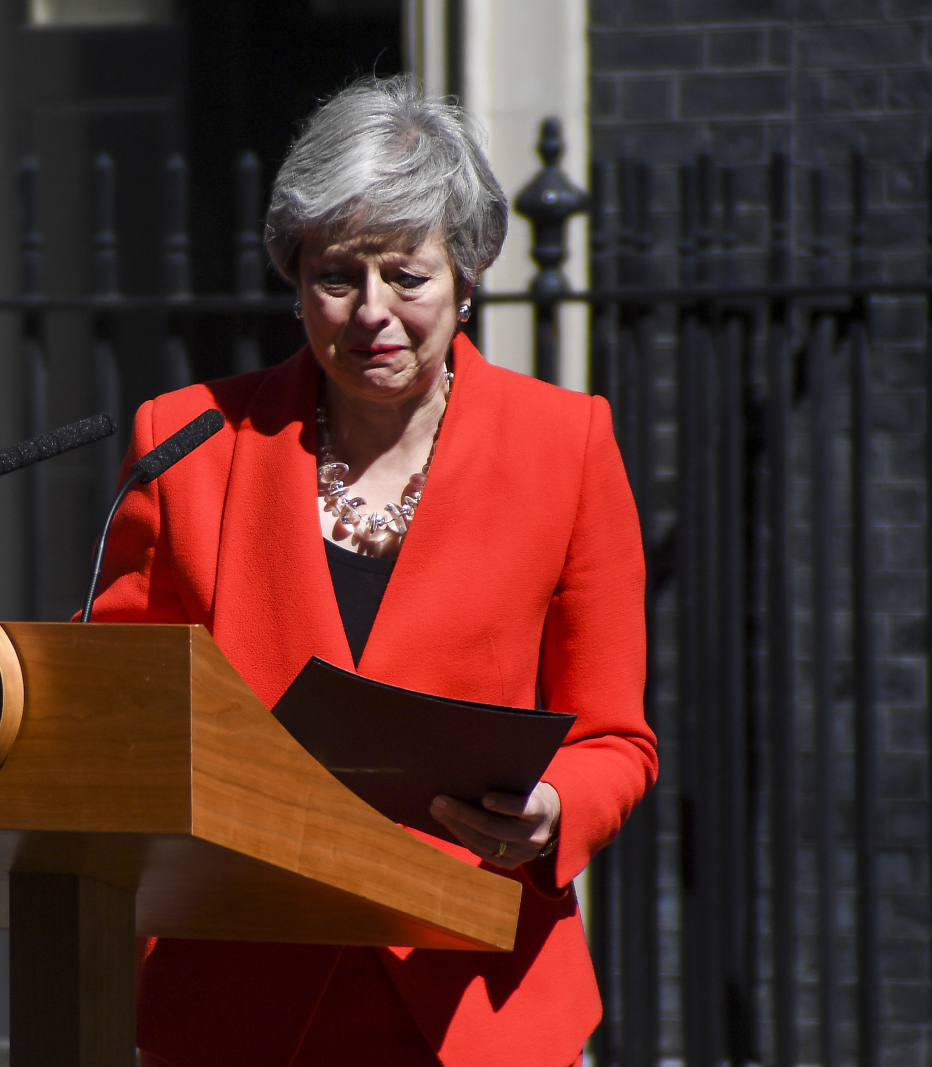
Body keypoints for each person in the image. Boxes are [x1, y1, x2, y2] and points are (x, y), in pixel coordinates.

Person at [86, 76, 657, 1067]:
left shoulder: (566, 445)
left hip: (474, 991)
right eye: (338, 276)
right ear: (293, 278)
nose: (373, 314)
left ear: (467, 274)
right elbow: (122, 717)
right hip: (241, 988)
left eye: (406, 274)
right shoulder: (185, 445)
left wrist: (550, 809)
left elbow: (614, 737)